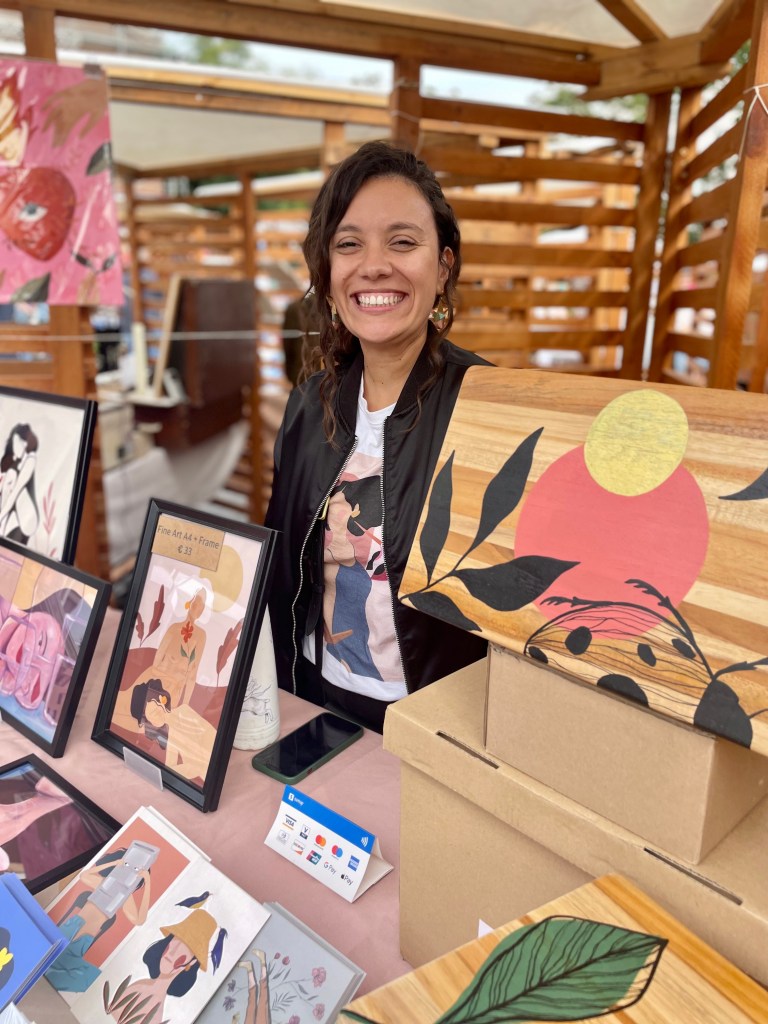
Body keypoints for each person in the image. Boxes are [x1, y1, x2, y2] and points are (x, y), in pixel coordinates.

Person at [265, 141, 488, 732]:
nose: (374, 265)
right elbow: (282, 570)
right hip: (311, 699)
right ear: (328, 273)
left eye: (402, 242)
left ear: (443, 267)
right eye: (349, 244)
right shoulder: (308, 406)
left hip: (435, 725)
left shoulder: (486, 409)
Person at [0, 424, 39, 545]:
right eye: (14, 443)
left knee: (11, 476)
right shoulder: (15, 462)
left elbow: (15, 492)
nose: (15, 447)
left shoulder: (30, 460)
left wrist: (0, 517)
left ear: (25, 444)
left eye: (18, 443)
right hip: (15, 513)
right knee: (10, 476)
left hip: (27, 514)